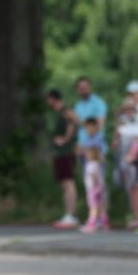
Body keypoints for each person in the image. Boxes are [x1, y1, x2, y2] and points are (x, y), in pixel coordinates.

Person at [112, 80, 138, 228]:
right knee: (131, 184)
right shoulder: (127, 110)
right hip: (125, 148)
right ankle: (137, 215)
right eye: (130, 93)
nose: (133, 96)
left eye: (135, 93)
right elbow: (120, 128)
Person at [46, 89, 80, 229]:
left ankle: (71, 215)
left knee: (68, 182)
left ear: (53, 99)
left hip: (66, 152)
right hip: (60, 153)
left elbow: (76, 121)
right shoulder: (59, 113)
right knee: (64, 184)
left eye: (49, 99)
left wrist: (66, 139)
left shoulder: (65, 110)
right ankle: (68, 214)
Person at [73, 76, 107, 154]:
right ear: (77, 89)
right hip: (81, 148)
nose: (83, 89)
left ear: (90, 87)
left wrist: (82, 123)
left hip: (95, 148)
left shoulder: (99, 103)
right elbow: (76, 127)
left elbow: (100, 125)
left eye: (85, 87)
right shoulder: (77, 106)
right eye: (80, 87)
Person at [80, 145, 108, 233]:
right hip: (99, 188)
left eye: (88, 154)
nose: (86, 155)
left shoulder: (90, 164)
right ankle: (104, 223)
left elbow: (93, 175)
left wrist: (95, 185)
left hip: (93, 189)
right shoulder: (97, 163)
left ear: (92, 155)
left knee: (93, 206)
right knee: (100, 206)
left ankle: (91, 224)